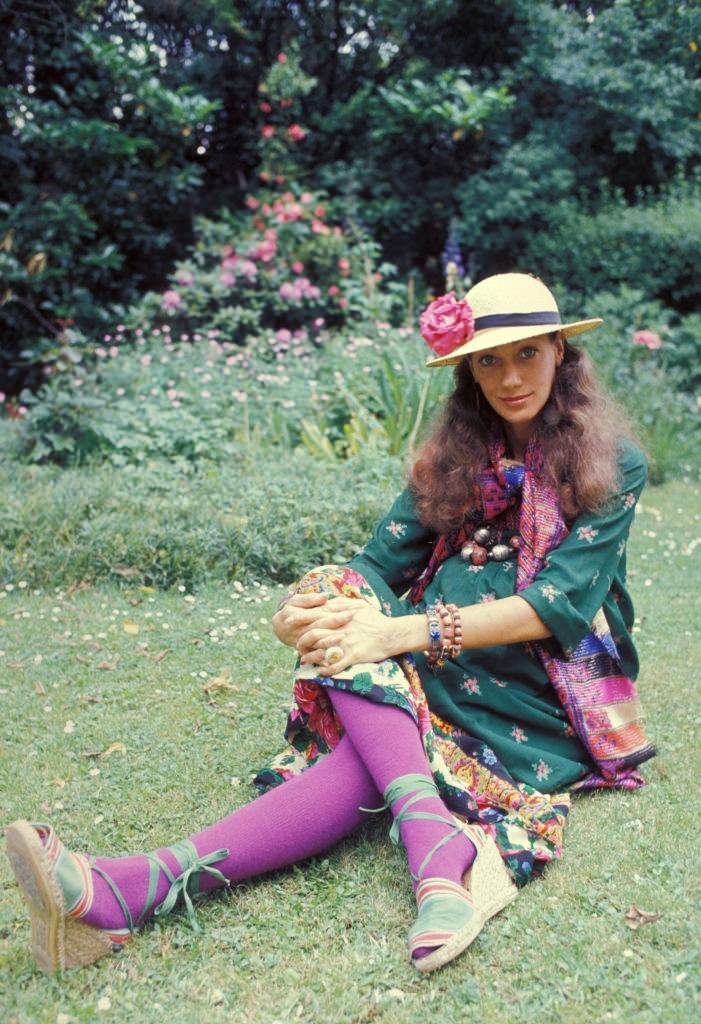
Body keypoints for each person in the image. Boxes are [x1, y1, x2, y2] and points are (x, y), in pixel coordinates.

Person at [5, 272, 655, 976]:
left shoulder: (611, 463)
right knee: (332, 593)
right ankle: (433, 845)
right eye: (488, 359)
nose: (509, 376)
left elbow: (554, 605)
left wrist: (397, 634)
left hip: (539, 683)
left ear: (561, 351)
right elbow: (375, 565)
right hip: (429, 658)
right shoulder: (455, 458)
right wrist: (299, 612)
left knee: (370, 735)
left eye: (527, 353)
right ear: (467, 369)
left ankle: (130, 892)